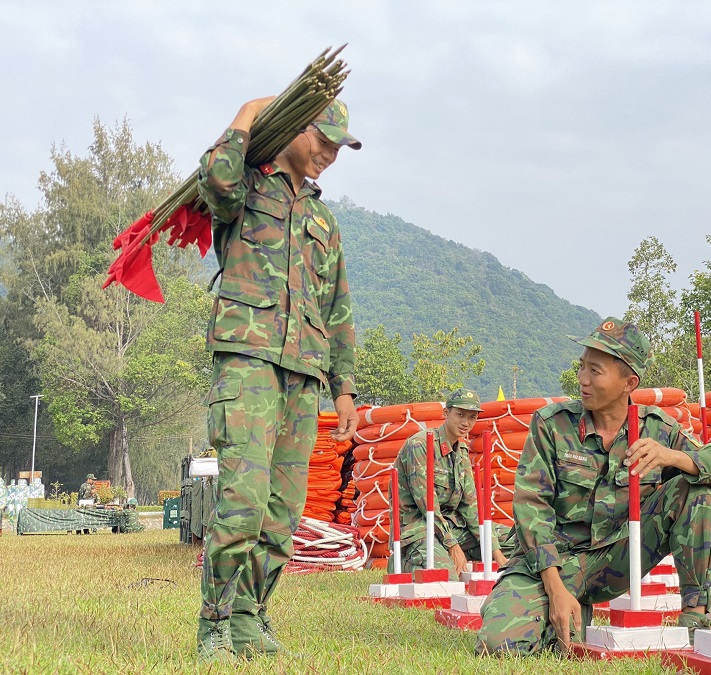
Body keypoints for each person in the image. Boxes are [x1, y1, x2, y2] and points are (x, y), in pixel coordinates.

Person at [195, 97, 361, 663]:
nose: (329, 154)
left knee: (281, 515)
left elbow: (337, 307)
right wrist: (246, 112)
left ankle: (248, 616)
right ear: (294, 127)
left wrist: (345, 389)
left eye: (339, 147)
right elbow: (214, 180)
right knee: (241, 501)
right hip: (247, 360)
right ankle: (214, 624)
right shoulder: (245, 186)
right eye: (322, 140)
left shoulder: (324, 220)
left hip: (304, 375)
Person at [475, 318, 711, 655]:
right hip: (553, 562)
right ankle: (568, 609)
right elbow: (532, 507)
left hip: (615, 559)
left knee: (695, 488)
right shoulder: (552, 425)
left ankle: (694, 620)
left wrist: (673, 457)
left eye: (595, 371)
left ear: (628, 382)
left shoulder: (657, 430)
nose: (582, 380)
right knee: (498, 646)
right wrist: (556, 588)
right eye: (582, 367)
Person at [392, 388, 507, 580]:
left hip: (453, 528)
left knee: (517, 541)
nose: (465, 423)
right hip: (419, 529)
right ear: (446, 413)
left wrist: (497, 555)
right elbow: (428, 506)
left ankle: (464, 554)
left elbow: (471, 506)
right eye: (460, 415)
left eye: (472, 417)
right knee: (447, 580)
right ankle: (407, 561)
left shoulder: (461, 451)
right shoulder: (421, 445)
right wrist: (453, 546)